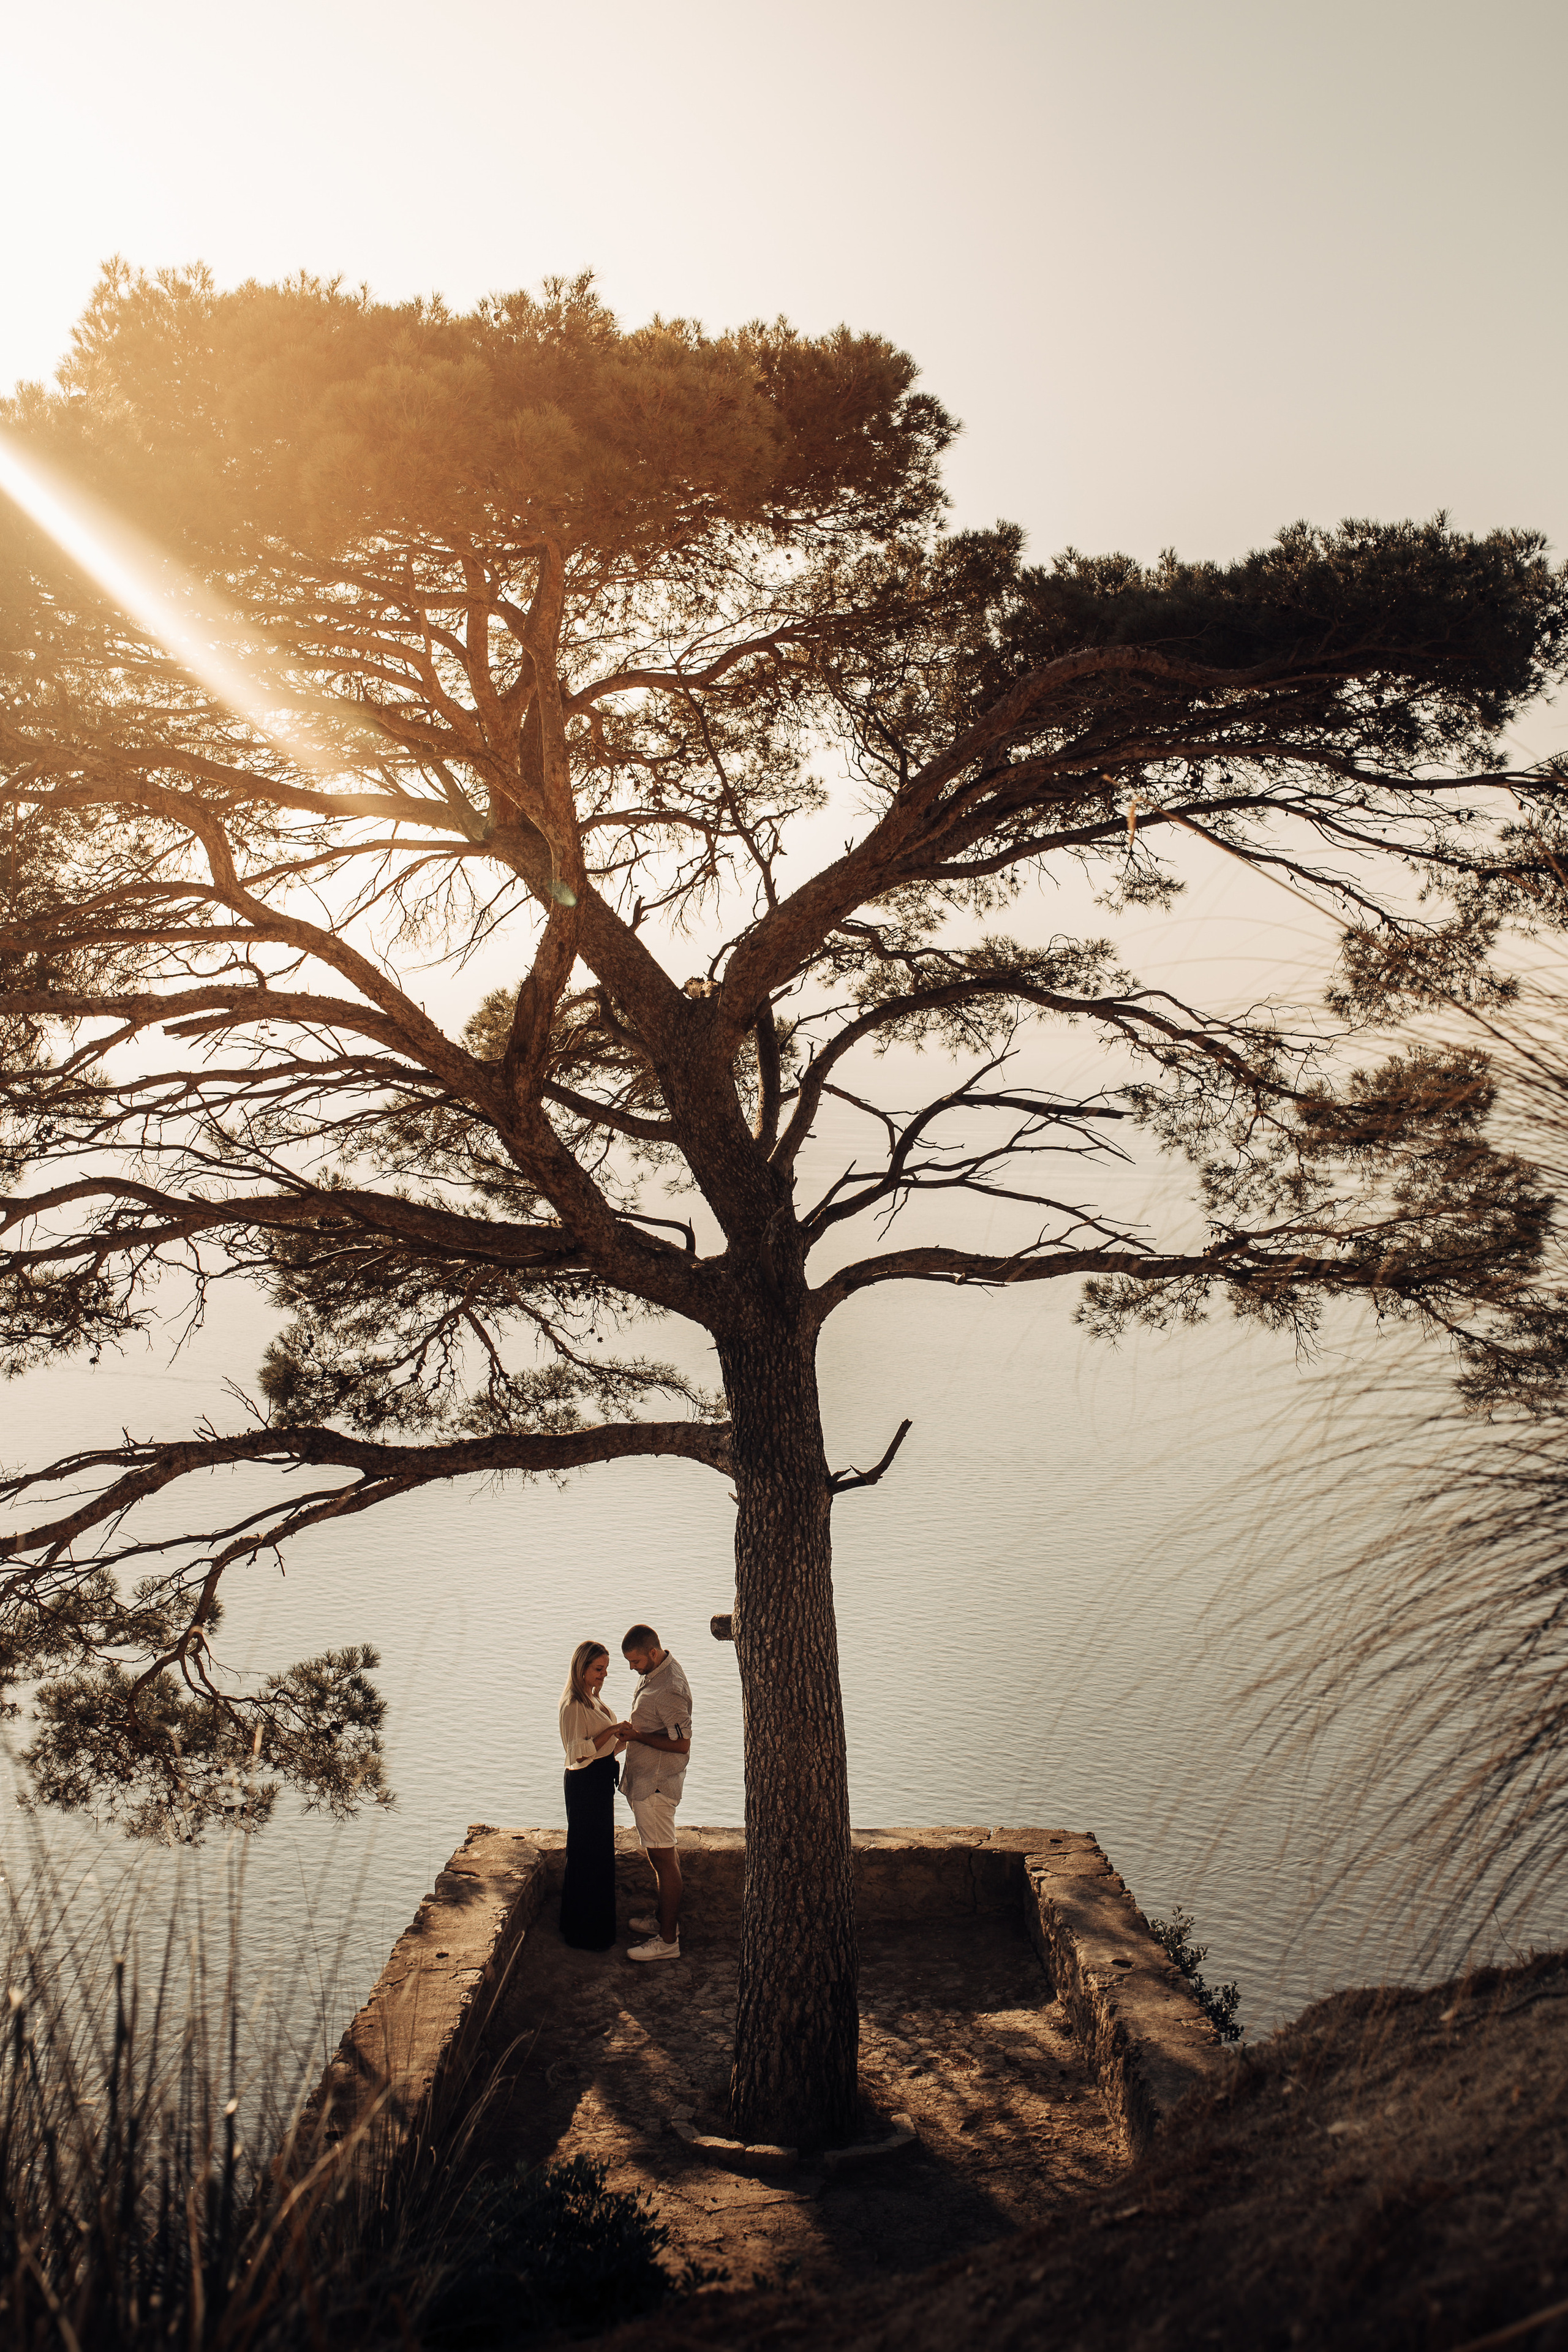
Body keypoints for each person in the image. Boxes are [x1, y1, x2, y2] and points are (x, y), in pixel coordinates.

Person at [616, 1623, 692, 1963]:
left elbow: (682, 1744)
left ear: (651, 1652)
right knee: (662, 1858)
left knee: (664, 1861)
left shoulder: (670, 1688)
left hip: (657, 1785)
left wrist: (637, 1737)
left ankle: (667, 1941)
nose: (632, 1668)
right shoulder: (657, 1671)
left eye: (635, 1662)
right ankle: (664, 1921)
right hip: (648, 1780)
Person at [557, 1640, 625, 1951]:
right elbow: (579, 1755)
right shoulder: (574, 1705)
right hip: (585, 1784)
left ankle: (597, 1929)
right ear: (582, 1669)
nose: (605, 1674)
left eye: (606, 1668)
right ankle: (582, 1932)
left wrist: (629, 1737)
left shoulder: (594, 1701)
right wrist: (612, 1732)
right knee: (586, 1854)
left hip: (599, 1782)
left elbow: (604, 1749)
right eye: (599, 1669)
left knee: (599, 1854)